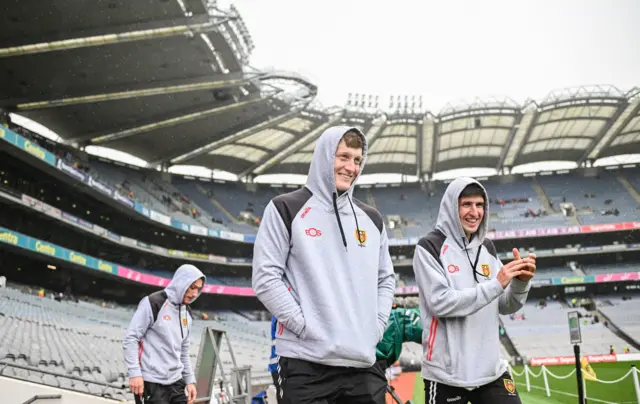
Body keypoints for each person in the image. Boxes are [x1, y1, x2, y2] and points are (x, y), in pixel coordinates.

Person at [252, 126, 396, 404]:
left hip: (362, 363)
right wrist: (306, 327)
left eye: (357, 160)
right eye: (342, 156)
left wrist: (376, 326)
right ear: (324, 156)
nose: (351, 167)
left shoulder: (372, 219)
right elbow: (265, 277)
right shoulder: (286, 208)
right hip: (305, 364)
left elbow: (385, 279)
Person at [413, 178, 536, 404]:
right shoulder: (429, 247)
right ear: (452, 207)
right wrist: (496, 284)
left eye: (479, 205)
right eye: (466, 204)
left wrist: (520, 283)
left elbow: (504, 304)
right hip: (446, 376)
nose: (474, 212)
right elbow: (441, 303)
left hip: (491, 372)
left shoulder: (487, 248)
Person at [123, 264, 205, 404]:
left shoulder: (187, 313)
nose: (194, 294)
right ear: (181, 282)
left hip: (176, 382)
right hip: (151, 382)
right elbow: (131, 338)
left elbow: (183, 350)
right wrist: (134, 373)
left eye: (198, 289)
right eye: (192, 287)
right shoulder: (153, 303)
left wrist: (190, 381)